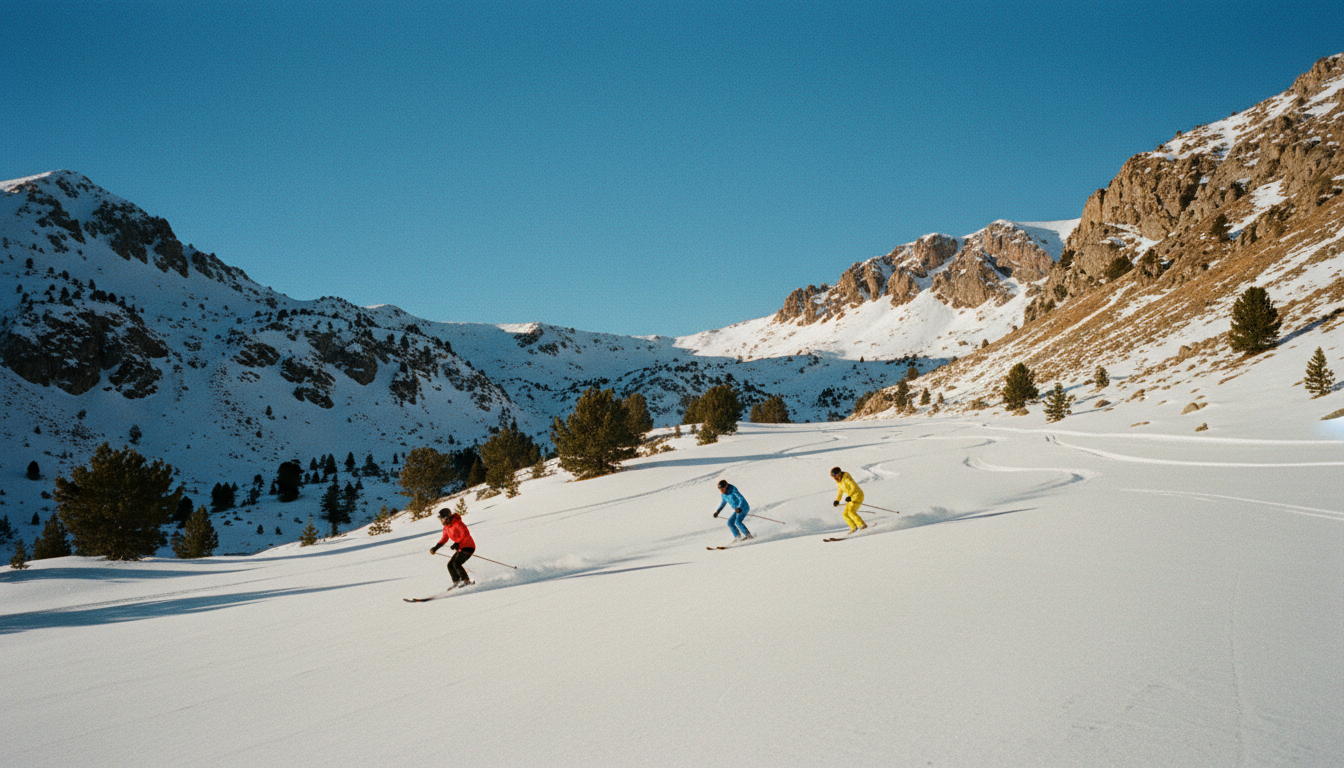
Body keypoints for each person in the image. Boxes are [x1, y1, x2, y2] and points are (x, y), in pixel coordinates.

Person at [430, 507, 476, 588]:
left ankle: (466, 581)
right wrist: (436, 548)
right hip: (461, 547)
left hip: (468, 546)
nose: (442, 521)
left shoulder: (458, 523)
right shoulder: (446, 527)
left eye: (443, 518)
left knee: (456, 563)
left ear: (448, 517)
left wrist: (457, 543)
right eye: (441, 519)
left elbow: (465, 534)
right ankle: (457, 581)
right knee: (450, 565)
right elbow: (444, 538)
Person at [830, 466, 868, 534]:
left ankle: (862, 525)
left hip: (857, 495)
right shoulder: (839, 482)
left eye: (835, 476)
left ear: (839, 474)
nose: (835, 478)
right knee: (845, 514)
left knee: (851, 511)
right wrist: (837, 500)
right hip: (851, 498)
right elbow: (840, 492)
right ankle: (853, 527)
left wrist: (850, 496)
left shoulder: (847, 478)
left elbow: (854, 487)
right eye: (833, 477)